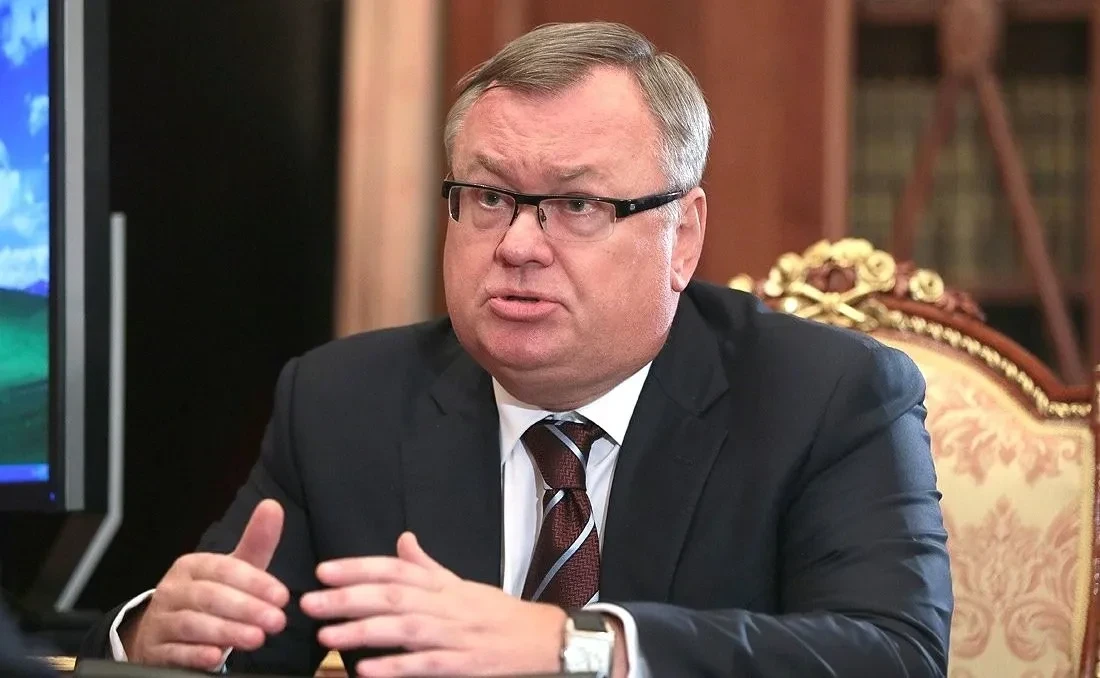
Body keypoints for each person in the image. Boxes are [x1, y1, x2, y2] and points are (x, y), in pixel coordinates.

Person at [79, 20, 952, 678]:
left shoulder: (825, 397)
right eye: (490, 197)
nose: (520, 245)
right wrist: (156, 638)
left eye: (577, 205)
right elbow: (243, 636)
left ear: (682, 236)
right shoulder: (341, 403)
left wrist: (578, 646)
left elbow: (892, 653)